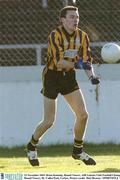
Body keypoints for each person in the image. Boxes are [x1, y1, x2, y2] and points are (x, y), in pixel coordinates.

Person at [26, 5, 100, 166]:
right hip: (52, 77)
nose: (76, 20)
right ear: (63, 20)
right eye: (72, 17)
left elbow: (86, 61)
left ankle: (77, 151)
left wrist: (92, 76)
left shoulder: (83, 36)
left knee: (83, 115)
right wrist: (80, 64)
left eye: (77, 17)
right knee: (49, 121)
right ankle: (31, 145)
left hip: (68, 77)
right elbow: (59, 61)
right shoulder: (55, 35)